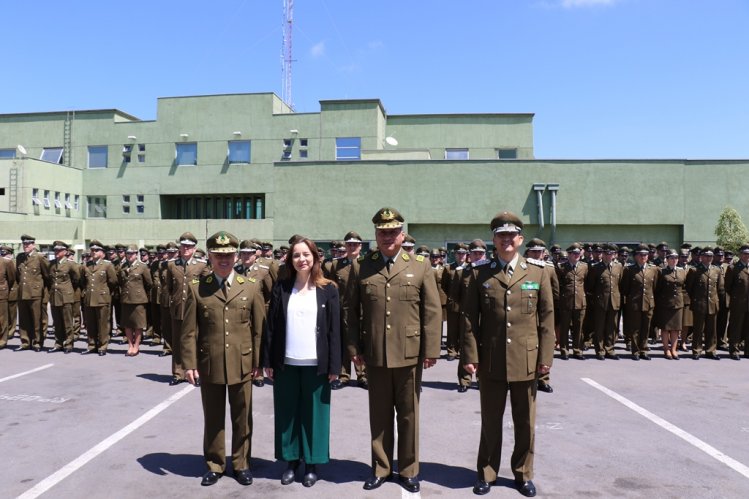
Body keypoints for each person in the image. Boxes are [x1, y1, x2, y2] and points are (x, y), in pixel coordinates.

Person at [345, 207, 442, 493]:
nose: (387, 237)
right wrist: (353, 346)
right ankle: (382, 468)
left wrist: (431, 349)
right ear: (375, 235)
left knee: (409, 414)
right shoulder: (361, 266)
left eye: (392, 232)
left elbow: (432, 310)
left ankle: (409, 469)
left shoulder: (421, 265)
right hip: (374, 352)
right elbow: (351, 311)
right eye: (381, 232)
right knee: (380, 414)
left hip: (410, 352)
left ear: (402, 234)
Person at [462, 211, 554, 497]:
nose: (506, 240)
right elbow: (469, 319)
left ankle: (523, 474)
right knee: (491, 421)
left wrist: (545, 359)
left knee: (525, 422)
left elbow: (547, 318)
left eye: (511, 235)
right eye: (501, 235)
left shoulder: (538, 271)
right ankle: (487, 473)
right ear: (494, 240)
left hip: (527, 359)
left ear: (520, 239)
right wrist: (470, 356)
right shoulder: (479, 272)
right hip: (490, 360)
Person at [181, 231, 265, 487]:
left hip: (243, 363)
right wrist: (189, 364)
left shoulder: (249, 286)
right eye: (218, 255)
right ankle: (215, 464)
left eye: (228, 255)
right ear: (210, 256)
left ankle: (241, 464)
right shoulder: (198, 288)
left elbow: (258, 328)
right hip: (210, 363)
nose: (224, 260)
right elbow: (189, 331)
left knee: (242, 416)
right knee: (213, 417)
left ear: (236, 256)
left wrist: (259, 364)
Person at [263, 237, 341, 488]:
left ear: (316, 257)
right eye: (296, 255)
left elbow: (334, 330)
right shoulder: (282, 287)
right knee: (287, 414)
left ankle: (312, 463)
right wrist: (268, 360)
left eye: (306, 254)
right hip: (286, 362)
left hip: (316, 364)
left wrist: (335, 366)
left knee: (315, 415)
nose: (302, 259)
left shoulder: (329, 289)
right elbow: (272, 327)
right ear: (290, 260)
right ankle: (290, 461)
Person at [620, 244, 659, 361]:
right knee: (635, 328)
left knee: (646, 328)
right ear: (636, 256)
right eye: (641, 255)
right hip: (635, 303)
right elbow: (625, 288)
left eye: (646, 255)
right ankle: (635, 351)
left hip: (648, 302)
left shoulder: (653, 269)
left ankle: (643, 349)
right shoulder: (629, 269)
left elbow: (655, 287)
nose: (644, 257)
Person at [586, 243, 623, 360]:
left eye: (611, 254)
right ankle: (600, 351)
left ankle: (610, 349)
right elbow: (590, 286)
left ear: (614, 255)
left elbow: (620, 284)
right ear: (602, 254)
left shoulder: (619, 267)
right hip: (601, 302)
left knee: (612, 327)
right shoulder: (596, 268)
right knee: (599, 327)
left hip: (614, 302)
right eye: (606, 254)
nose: (608, 256)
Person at [81, 240, 118, 355]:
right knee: (90, 324)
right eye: (92, 250)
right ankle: (92, 345)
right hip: (89, 298)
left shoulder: (107, 265)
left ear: (102, 252)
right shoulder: (86, 265)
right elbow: (83, 282)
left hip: (102, 298)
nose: (93, 252)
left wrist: (104, 292)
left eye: (96, 250)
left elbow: (113, 281)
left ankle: (102, 346)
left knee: (102, 324)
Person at [16, 234, 50, 351]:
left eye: (28, 244)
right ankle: (25, 342)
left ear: (33, 245)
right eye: (24, 244)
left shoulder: (40, 257)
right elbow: (17, 276)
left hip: (36, 293)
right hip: (22, 293)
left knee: (37, 319)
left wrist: (44, 294)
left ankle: (37, 342)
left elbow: (47, 276)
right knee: (24, 320)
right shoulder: (20, 257)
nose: (25, 246)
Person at [119, 244, 153, 356]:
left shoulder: (142, 267)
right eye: (128, 253)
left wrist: (141, 293)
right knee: (127, 324)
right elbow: (120, 282)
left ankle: (136, 346)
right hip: (126, 299)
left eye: (132, 253)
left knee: (138, 325)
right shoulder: (123, 266)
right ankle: (130, 345)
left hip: (138, 300)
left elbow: (149, 283)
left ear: (136, 254)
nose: (129, 256)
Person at [654, 250, 687, 359]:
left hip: (678, 303)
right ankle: (666, 349)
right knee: (665, 328)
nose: (674, 260)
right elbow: (657, 288)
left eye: (676, 258)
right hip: (665, 303)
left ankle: (673, 349)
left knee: (676, 328)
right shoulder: (661, 271)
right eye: (671, 258)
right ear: (667, 260)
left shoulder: (682, 271)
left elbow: (684, 287)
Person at [48, 241, 80, 353]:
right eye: (55, 250)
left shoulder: (70, 264)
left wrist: (68, 290)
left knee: (67, 322)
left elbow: (76, 279)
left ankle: (69, 344)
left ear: (65, 251)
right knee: (57, 322)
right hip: (54, 296)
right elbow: (50, 280)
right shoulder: (51, 263)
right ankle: (58, 343)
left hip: (66, 296)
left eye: (59, 250)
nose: (56, 252)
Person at [724, 244, 749, 360]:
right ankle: (734, 350)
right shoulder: (733, 268)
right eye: (745, 254)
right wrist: (736, 297)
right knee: (736, 327)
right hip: (738, 303)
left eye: (748, 254)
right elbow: (728, 287)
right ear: (740, 255)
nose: (747, 256)